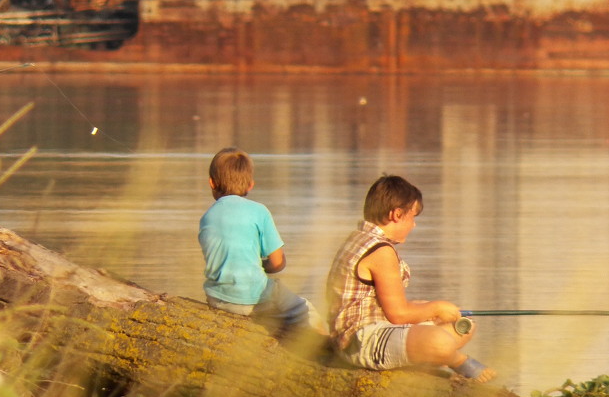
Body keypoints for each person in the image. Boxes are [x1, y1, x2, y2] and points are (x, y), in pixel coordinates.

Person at [325, 175, 496, 382]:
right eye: (413, 217)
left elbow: (386, 306)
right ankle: (458, 362)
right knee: (440, 342)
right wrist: (435, 308)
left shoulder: (360, 238)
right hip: (360, 341)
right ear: (397, 214)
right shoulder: (381, 252)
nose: (414, 225)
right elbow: (398, 314)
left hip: (374, 329)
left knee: (463, 325)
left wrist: (431, 310)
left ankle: (425, 357)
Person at [199, 147, 324, 335]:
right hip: (254, 298)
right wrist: (264, 266)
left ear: (211, 183)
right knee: (307, 310)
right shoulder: (259, 211)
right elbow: (278, 262)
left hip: (217, 299)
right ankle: (325, 345)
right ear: (251, 185)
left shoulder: (207, 216)